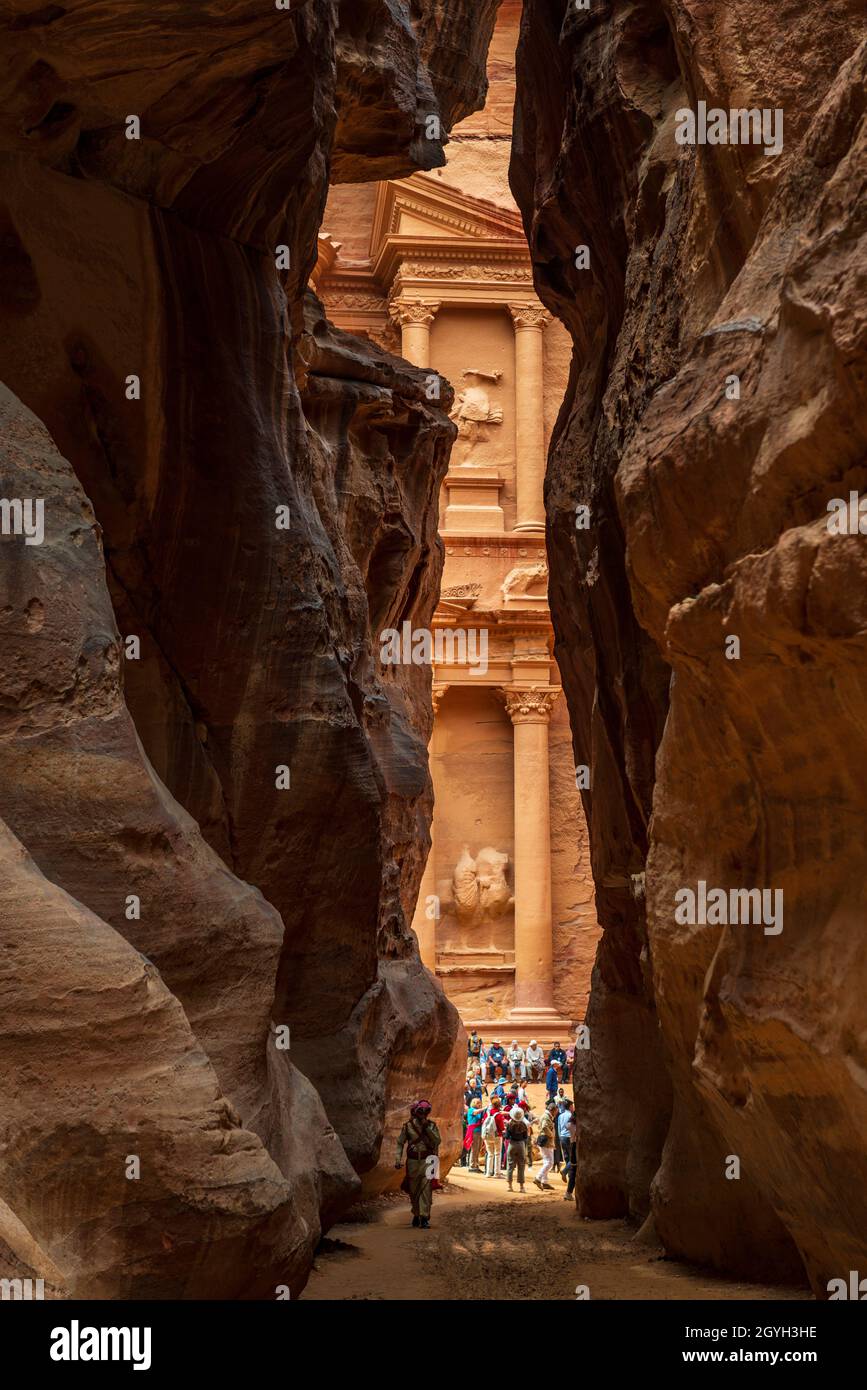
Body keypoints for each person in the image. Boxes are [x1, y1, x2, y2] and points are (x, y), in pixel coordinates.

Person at [395, 1100, 441, 1228]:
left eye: (425, 1112)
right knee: (414, 1190)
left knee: (426, 1190)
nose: (423, 1115)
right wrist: (398, 1159)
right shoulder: (408, 1126)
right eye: (421, 1112)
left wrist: (427, 1128)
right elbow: (400, 1143)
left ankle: (424, 1217)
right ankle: (416, 1214)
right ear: (415, 1113)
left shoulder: (431, 1126)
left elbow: (437, 1141)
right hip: (413, 1162)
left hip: (428, 1161)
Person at [533, 1102, 558, 1191]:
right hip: (546, 1141)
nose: (556, 1113)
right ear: (553, 1110)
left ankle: (545, 1182)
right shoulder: (546, 1116)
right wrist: (551, 1135)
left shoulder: (547, 1116)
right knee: (550, 1162)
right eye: (556, 1111)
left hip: (546, 1141)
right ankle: (538, 1178)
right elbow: (544, 1127)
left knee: (546, 1161)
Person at [505, 1105, 530, 1192]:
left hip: (512, 1144)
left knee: (510, 1165)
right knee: (521, 1165)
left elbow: (507, 1137)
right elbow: (525, 1137)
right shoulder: (523, 1125)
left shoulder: (510, 1124)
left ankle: (509, 1186)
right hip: (521, 1145)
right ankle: (521, 1187)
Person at [481, 1096, 507, 1178]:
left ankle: (488, 1172)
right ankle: (497, 1173)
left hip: (487, 1136)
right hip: (497, 1136)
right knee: (497, 1154)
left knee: (490, 1154)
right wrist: (504, 1129)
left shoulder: (488, 1113)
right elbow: (502, 1127)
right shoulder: (498, 1115)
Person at [463, 1096, 485, 1171]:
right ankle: (472, 1165)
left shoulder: (479, 1111)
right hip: (474, 1131)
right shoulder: (471, 1110)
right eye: (478, 1103)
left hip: (479, 1130)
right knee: (474, 1149)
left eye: (480, 1103)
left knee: (478, 1149)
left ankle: (476, 1164)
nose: (479, 1104)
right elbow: (476, 1112)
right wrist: (484, 1108)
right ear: (473, 1103)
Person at [557, 1100, 574, 1179]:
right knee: (573, 1158)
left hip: (562, 1137)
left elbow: (559, 1128)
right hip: (569, 1137)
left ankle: (569, 1176)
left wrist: (560, 1136)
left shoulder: (561, 1115)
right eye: (572, 1106)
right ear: (570, 1106)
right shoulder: (571, 1115)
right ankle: (565, 1171)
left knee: (567, 1158)